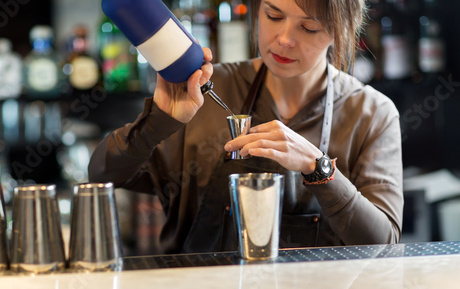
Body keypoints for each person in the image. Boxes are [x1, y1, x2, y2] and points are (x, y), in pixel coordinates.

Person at [88, 0, 403, 254]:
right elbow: (104, 175)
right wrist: (159, 120)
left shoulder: (372, 113)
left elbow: (384, 242)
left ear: (340, 30)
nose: (284, 39)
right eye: (273, 15)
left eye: (308, 27)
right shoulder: (200, 89)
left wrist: (318, 168)